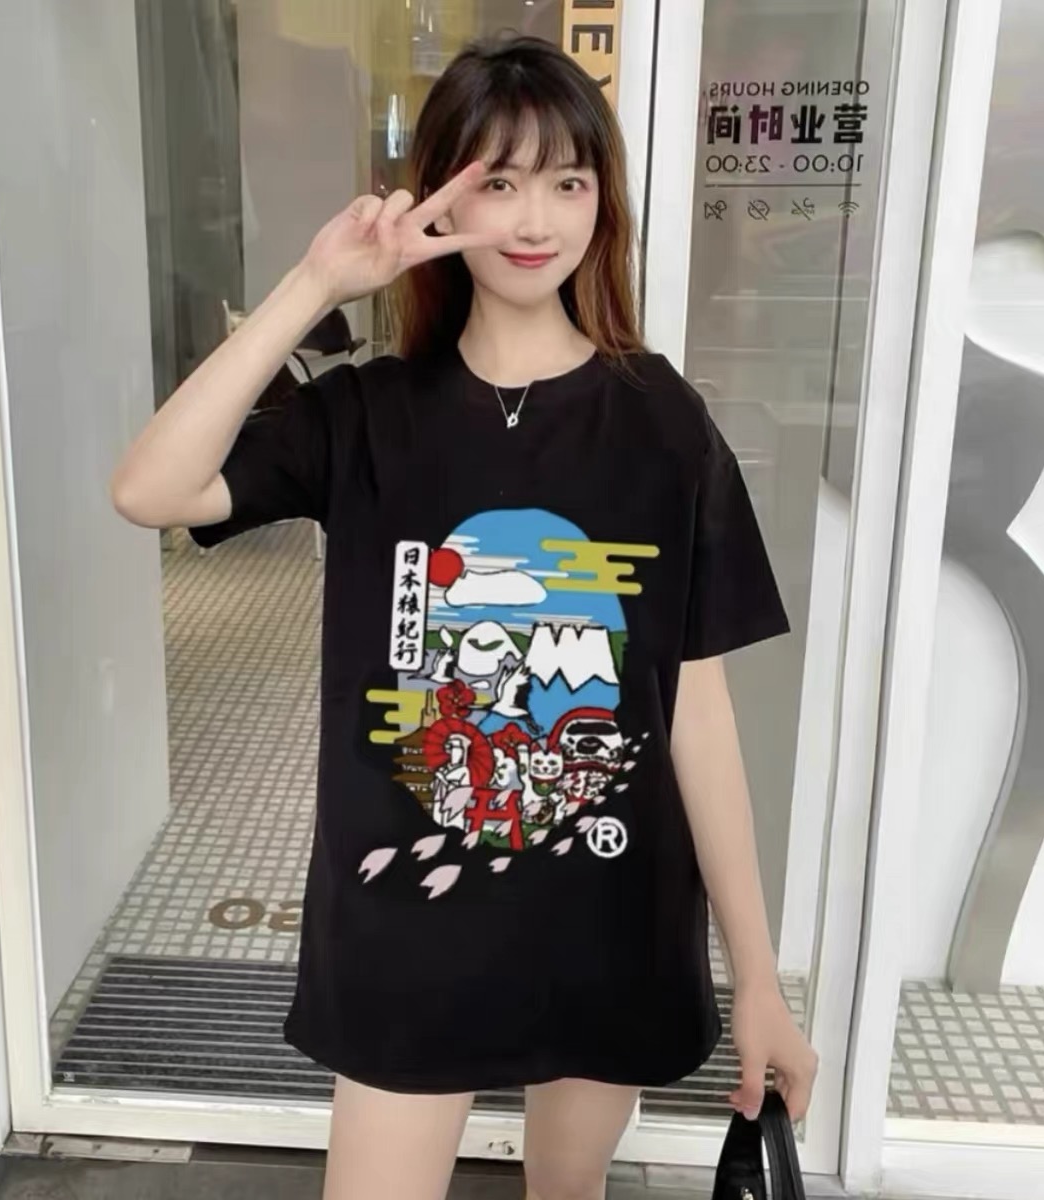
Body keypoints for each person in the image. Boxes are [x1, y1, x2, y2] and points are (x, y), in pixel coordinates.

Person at [111, 32, 818, 1200]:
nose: (535, 218)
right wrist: (318, 284)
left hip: (606, 910)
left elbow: (694, 708)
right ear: (443, 197)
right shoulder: (368, 415)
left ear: (603, 202)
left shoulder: (662, 425)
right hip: (410, 915)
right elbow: (151, 490)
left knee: (568, 1191)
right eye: (499, 182)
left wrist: (760, 978)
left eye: (568, 182)